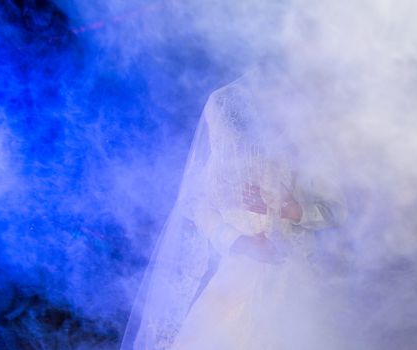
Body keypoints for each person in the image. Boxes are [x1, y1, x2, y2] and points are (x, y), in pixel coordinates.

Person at [121, 66, 347, 350]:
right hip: (233, 278)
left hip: (292, 274)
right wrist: (237, 240)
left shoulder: (305, 129)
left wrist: (292, 209)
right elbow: (195, 203)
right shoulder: (223, 118)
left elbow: (338, 210)